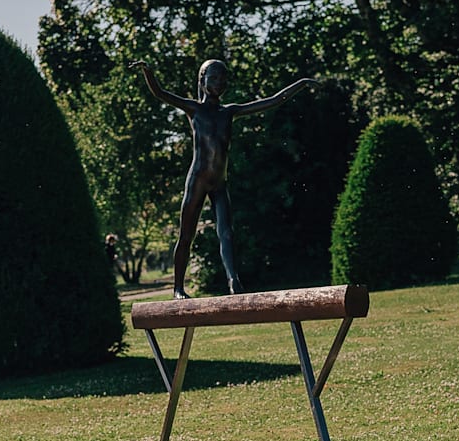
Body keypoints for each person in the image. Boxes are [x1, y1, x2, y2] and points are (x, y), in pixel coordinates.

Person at [133, 58, 321, 298]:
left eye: (223, 79)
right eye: (214, 78)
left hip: (219, 183)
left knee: (227, 232)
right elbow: (161, 93)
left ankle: (234, 281)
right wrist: (148, 72)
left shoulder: (229, 112)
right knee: (186, 235)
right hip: (198, 180)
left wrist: (301, 83)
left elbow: (273, 100)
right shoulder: (195, 109)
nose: (219, 83)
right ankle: (178, 288)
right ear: (202, 81)